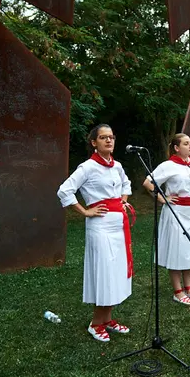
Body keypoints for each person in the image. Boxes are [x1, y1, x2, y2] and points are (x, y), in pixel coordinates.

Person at [56, 124, 134, 342]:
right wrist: (85, 211)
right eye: (103, 137)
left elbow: (126, 184)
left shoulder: (117, 166)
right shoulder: (87, 167)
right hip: (100, 228)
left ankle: (108, 319)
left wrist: (122, 202)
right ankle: (96, 323)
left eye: (111, 137)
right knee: (105, 273)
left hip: (118, 227)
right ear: (94, 142)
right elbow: (64, 190)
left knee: (116, 272)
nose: (108, 140)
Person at [142, 133, 190, 306]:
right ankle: (178, 291)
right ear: (176, 148)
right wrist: (162, 199)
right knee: (177, 250)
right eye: (186, 143)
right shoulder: (168, 166)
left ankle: (189, 288)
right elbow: (148, 183)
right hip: (176, 212)